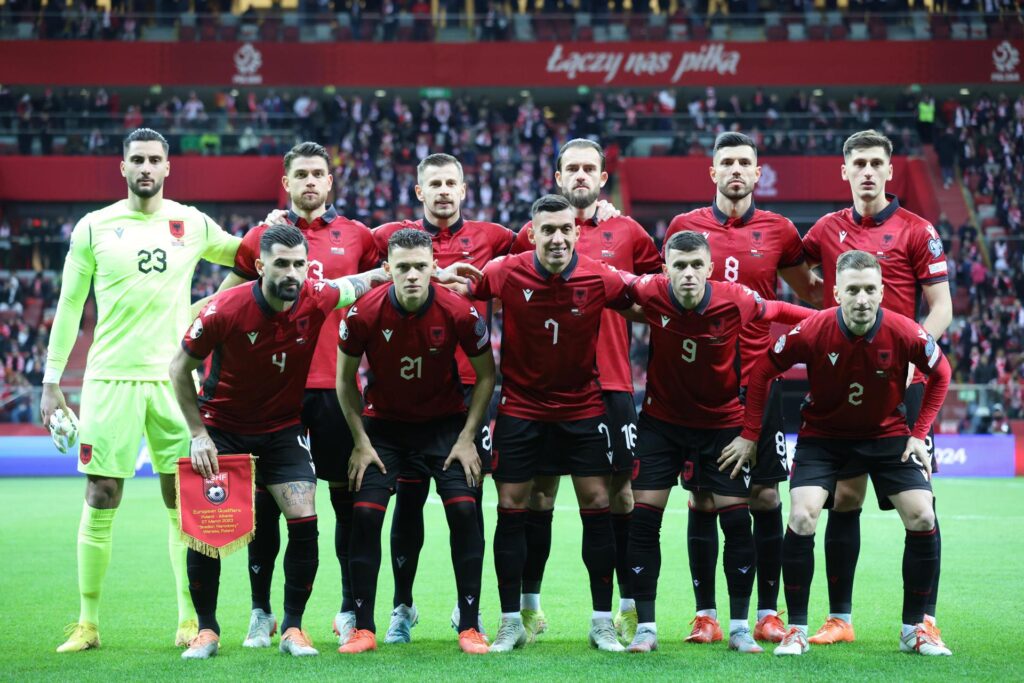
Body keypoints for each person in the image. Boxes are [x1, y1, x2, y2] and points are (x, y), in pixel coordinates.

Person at [42, 128, 241, 653]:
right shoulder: (94, 227)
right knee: (101, 493)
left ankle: (188, 620)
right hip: (109, 379)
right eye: (138, 159)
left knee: (182, 500)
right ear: (123, 167)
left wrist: (204, 309)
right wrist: (50, 381)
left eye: (155, 159)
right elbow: (69, 305)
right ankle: (87, 624)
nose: (146, 167)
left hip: (174, 379)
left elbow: (245, 259)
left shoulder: (191, 222)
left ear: (168, 167)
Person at [168, 224, 390, 659]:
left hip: (282, 431)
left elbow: (361, 282)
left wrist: (413, 274)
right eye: (282, 264)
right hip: (222, 429)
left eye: (299, 264)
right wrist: (198, 435)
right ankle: (207, 631)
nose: (292, 272)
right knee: (205, 530)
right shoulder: (223, 309)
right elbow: (178, 369)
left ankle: (292, 628)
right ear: (260, 266)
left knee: (304, 518)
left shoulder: (317, 296)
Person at [734, 250, 952, 657]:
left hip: (887, 436)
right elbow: (763, 370)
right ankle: (797, 630)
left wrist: (919, 433)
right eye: (852, 290)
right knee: (802, 515)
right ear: (836, 293)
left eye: (870, 290)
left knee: (923, 514)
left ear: (882, 292)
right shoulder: (813, 329)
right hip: (824, 439)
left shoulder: (905, 331)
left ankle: (914, 629)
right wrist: (749, 433)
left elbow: (941, 373)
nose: (862, 299)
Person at [209, 141, 381, 648]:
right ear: (285, 182)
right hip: (271, 399)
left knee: (346, 502)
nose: (309, 181)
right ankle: (261, 612)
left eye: (317, 174)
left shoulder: (359, 236)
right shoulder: (261, 239)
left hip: (334, 391)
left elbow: (386, 281)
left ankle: (348, 609)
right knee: (265, 509)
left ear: (330, 181)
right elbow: (225, 305)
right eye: (300, 174)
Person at [663, 132, 822, 644]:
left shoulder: (780, 230)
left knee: (765, 495)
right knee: (702, 499)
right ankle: (705, 614)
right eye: (726, 162)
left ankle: (768, 612)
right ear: (712, 172)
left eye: (744, 162)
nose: (735, 169)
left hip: (759, 380)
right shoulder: (685, 227)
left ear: (758, 172)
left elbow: (809, 293)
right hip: (701, 387)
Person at [622, 231, 811, 655]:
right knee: (644, 519)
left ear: (710, 268)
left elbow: (780, 309)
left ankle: (740, 628)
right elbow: (606, 284)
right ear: (665, 270)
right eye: (679, 265)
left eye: (696, 265)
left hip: (721, 426)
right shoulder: (650, 291)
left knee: (737, 522)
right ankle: (646, 629)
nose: (688, 273)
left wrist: (829, 319)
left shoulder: (736, 299)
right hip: (661, 424)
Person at [801, 129, 952, 645]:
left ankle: (923, 621)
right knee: (845, 497)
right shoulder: (826, 229)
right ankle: (839, 619)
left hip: (902, 382)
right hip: (843, 382)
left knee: (921, 503)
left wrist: (915, 354)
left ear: (889, 170)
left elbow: (941, 308)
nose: (867, 171)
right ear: (844, 170)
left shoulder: (917, 230)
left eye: (876, 163)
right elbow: (792, 268)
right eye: (859, 163)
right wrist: (817, 314)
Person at [508, 138, 662, 644]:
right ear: (557, 177)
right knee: (539, 494)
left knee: (618, 496)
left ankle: (626, 609)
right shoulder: (531, 232)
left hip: (612, 382)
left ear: (602, 178)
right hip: (544, 390)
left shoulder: (630, 232)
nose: (579, 175)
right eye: (571, 168)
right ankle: (528, 609)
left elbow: (657, 295)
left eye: (588, 168)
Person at [468, 194, 633, 653]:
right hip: (521, 409)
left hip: (583, 408)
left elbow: (644, 301)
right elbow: (461, 291)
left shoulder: (600, 275)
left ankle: (601, 621)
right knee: (511, 505)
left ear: (577, 232)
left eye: (565, 229)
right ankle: (510, 622)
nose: (557, 238)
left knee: (597, 502)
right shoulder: (505, 271)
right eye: (548, 230)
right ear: (532, 234)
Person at [371, 153, 515, 642]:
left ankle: (466, 608)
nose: (444, 191)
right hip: (408, 393)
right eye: (434, 183)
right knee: (408, 502)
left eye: (451, 182)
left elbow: (545, 240)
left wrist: (597, 212)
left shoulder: (495, 237)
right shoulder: (390, 237)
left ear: (464, 189)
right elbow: (338, 252)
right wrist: (280, 218)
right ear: (419, 191)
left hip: (470, 392)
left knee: (467, 503)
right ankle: (402, 607)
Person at [336, 228, 496, 655]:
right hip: (384, 429)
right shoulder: (363, 312)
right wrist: (360, 441)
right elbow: (344, 380)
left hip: (444, 428)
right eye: (402, 267)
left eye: (420, 267)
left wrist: (467, 438)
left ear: (433, 268)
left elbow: (486, 376)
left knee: (465, 512)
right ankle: (364, 628)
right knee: (365, 515)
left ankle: (469, 625)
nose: (411, 275)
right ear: (387, 268)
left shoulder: (459, 311)